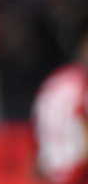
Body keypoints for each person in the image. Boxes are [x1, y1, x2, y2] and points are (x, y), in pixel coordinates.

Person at [32, 23, 88, 184]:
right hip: (78, 175)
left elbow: (36, 135)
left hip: (50, 174)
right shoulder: (82, 84)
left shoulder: (53, 82)